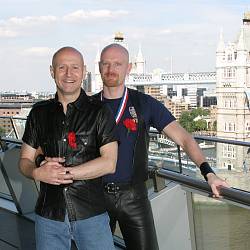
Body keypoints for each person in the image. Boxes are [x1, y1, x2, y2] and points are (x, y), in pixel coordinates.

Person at [96, 43, 230, 250]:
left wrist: (208, 173)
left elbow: (184, 138)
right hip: (95, 195)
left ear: (129, 68)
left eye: (117, 64)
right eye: (106, 64)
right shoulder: (87, 106)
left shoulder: (145, 104)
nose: (111, 69)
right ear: (99, 67)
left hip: (134, 197)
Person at [19, 47, 118, 250]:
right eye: (62, 67)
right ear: (52, 71)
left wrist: (65, 174)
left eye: (75, 67)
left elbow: (109, 163)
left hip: (91, 214)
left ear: (83, 71)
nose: (68, 74)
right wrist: (37, 172)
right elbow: (24, 161)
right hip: (49, 217)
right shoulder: (39, 113)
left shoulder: (100, 111)